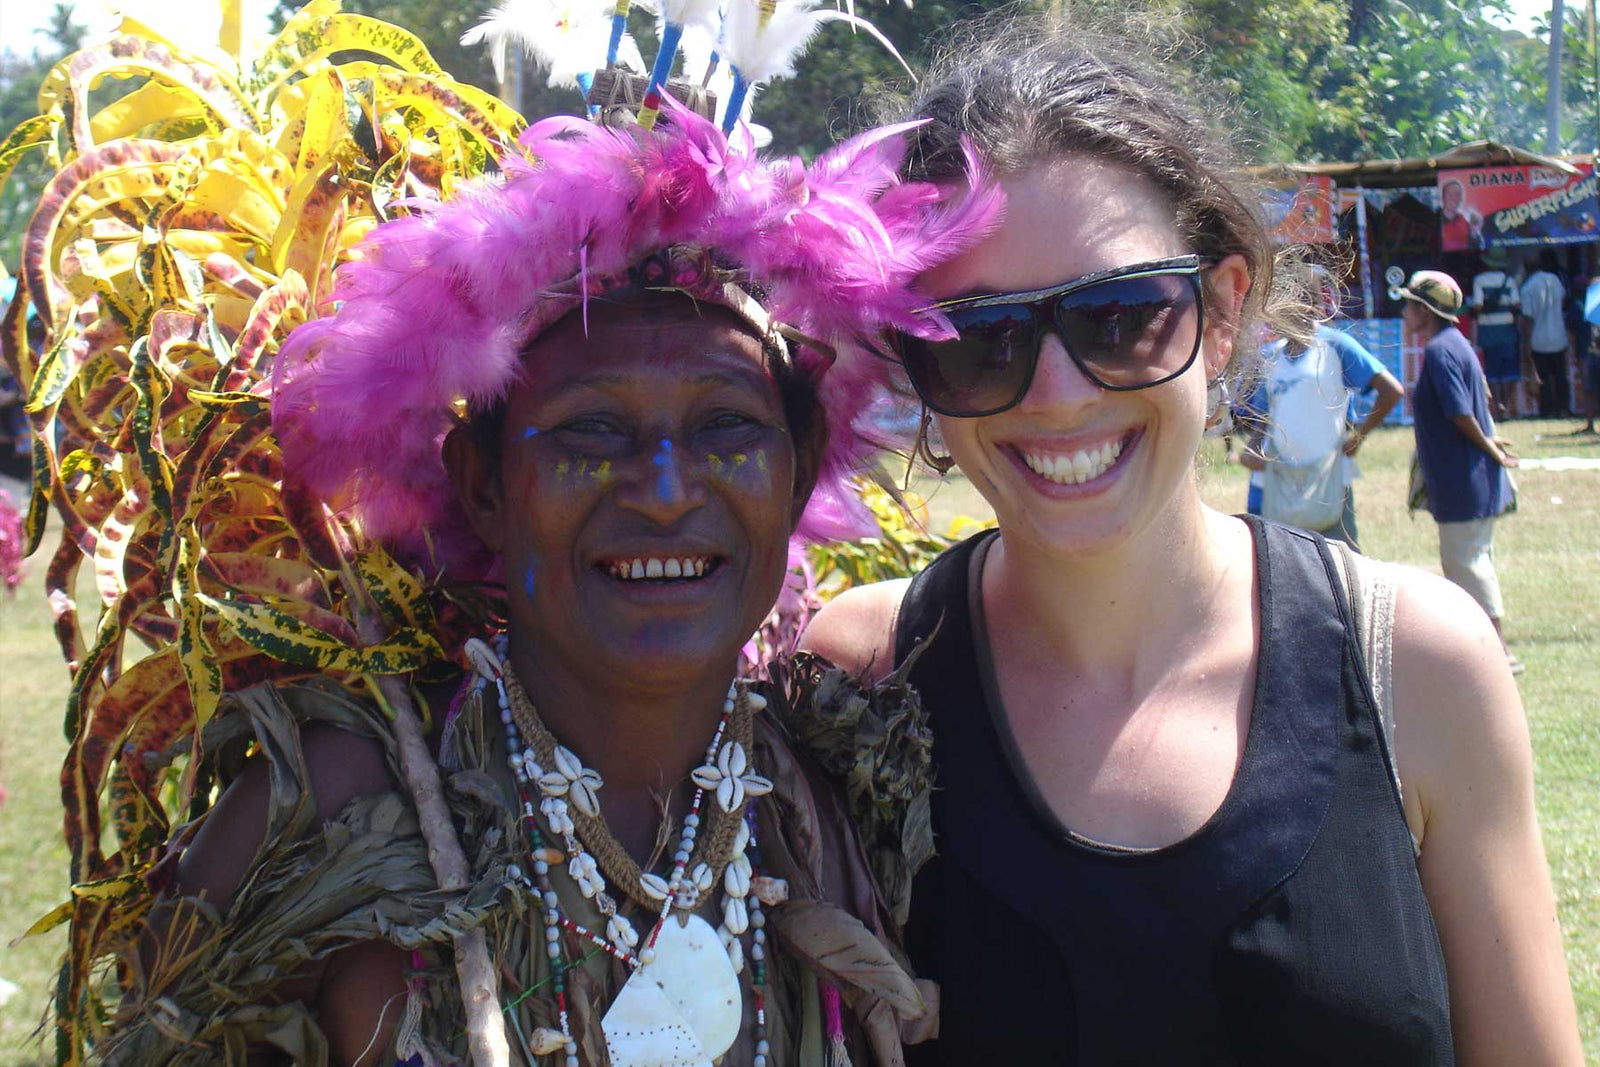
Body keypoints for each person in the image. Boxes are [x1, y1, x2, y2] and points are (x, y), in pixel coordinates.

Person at [112, 99, 997, 1064]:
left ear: (797, 467)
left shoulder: (821, 808)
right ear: (485, 486)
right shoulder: (335, 811)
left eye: (725, 426)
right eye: (591, 430)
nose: (664, 492)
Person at [802, 13, 1583, 1064]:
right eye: (980, 339)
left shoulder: (1421, 669)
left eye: (1120, 315)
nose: (1057, 392)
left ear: (1220, 314)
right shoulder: (857, 678)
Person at [1398, 269, 1524, 674]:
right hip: (1467, 476)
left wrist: (1488, 446)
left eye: (1410, 304)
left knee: (1467, 564)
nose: (1404, 312)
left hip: (1462, 477)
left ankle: (1499, 650)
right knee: (1469, 560)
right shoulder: (1458, 345)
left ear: (1425, 310)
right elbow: (1482, 395)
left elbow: (1460, 412)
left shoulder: (1438, 352)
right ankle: (1482, 649)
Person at [1237, 273, 1403, 550]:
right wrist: (1252, 451)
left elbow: (1391, 390)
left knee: (1340, 563)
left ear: (1305, 304)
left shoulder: (1335, 346)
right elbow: (1265, 419)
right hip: (1282, 484)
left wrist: (1359, 438)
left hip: (1329, 480)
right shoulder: (1271, 356)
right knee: (1285, 564)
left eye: (1280, 301)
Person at [1471, 250, 1524, 416]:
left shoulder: (1479, 280)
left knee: (1492, 369)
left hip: (1488, 329)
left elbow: (1478, 306)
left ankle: (1498, 402)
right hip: (1507, 329)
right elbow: (1517, 305)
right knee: (1509, 369)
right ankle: (1507, 405)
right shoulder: (1509, 281)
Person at [1520, 249, 1571, 417]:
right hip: (1558, 334)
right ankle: (1564, 407)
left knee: (1544, 377)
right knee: (1561, 375)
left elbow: (1527, 318)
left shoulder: (1528, 287)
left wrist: (1525, 342)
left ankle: (1548, 408)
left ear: (1526, 268)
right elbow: (1563, 301)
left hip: (1538, 338)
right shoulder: (1555, 280)